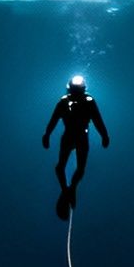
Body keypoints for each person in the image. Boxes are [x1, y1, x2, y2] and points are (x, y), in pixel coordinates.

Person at [43, 75, 109, 210]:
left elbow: (98, 120)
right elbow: (54, 119)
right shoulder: (67, 102)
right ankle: (68, 190)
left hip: (76, 137)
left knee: (70, 167)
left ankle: (69, 189)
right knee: (64, 167)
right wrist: (47, 134)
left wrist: (104, 135)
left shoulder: (87, 102)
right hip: (74, 136)